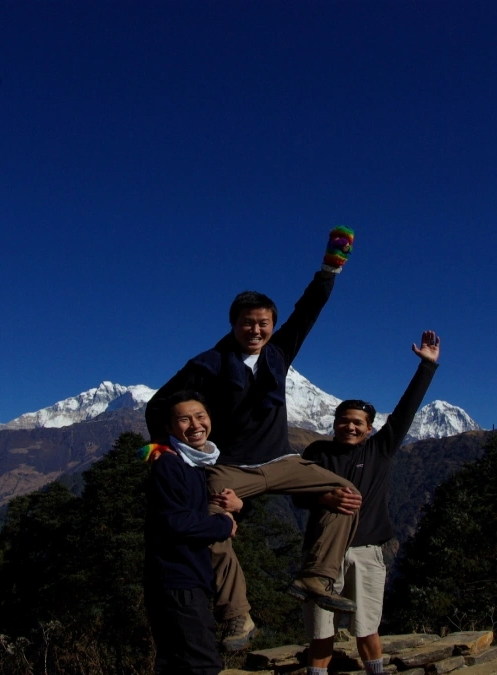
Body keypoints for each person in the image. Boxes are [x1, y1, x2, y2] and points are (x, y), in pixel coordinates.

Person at [145, 227, 361, 651]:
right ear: (233, 324)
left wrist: (330, 269)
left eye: (264, 323)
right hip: (230, 468)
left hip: (281, 460)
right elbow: (158, 406)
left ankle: (315, 577)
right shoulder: (207, 364)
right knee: (208, 525)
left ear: (272, 326)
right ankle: (238, 618)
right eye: (248, 323)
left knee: (346, 492)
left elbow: (308, 312)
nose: (257, 330)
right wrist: (160, 448)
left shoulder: (278, 355)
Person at [296, 331, 441, 675]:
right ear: (334, 424)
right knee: (321, 631)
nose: (349, 426)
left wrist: (427, 366)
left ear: (369, 428)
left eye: (357, 422)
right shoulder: (318, 452)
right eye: (343, 420)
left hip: (366, 551)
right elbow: (297, 494)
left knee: (367, 628)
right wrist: (324, 496)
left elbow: (406, 409)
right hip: (321, 554)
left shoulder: (380, 450)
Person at [142, 391, 245, 675]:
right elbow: (177, 522)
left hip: (183, 579)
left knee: (175, 663)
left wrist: (235, 508)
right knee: (202, 664)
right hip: (178, 580)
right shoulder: (170, 464)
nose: (195, 424)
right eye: (184, 419)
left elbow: (198, 511)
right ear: (169, 427)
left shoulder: (195, 464)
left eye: (200, 416)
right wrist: (223, 525)